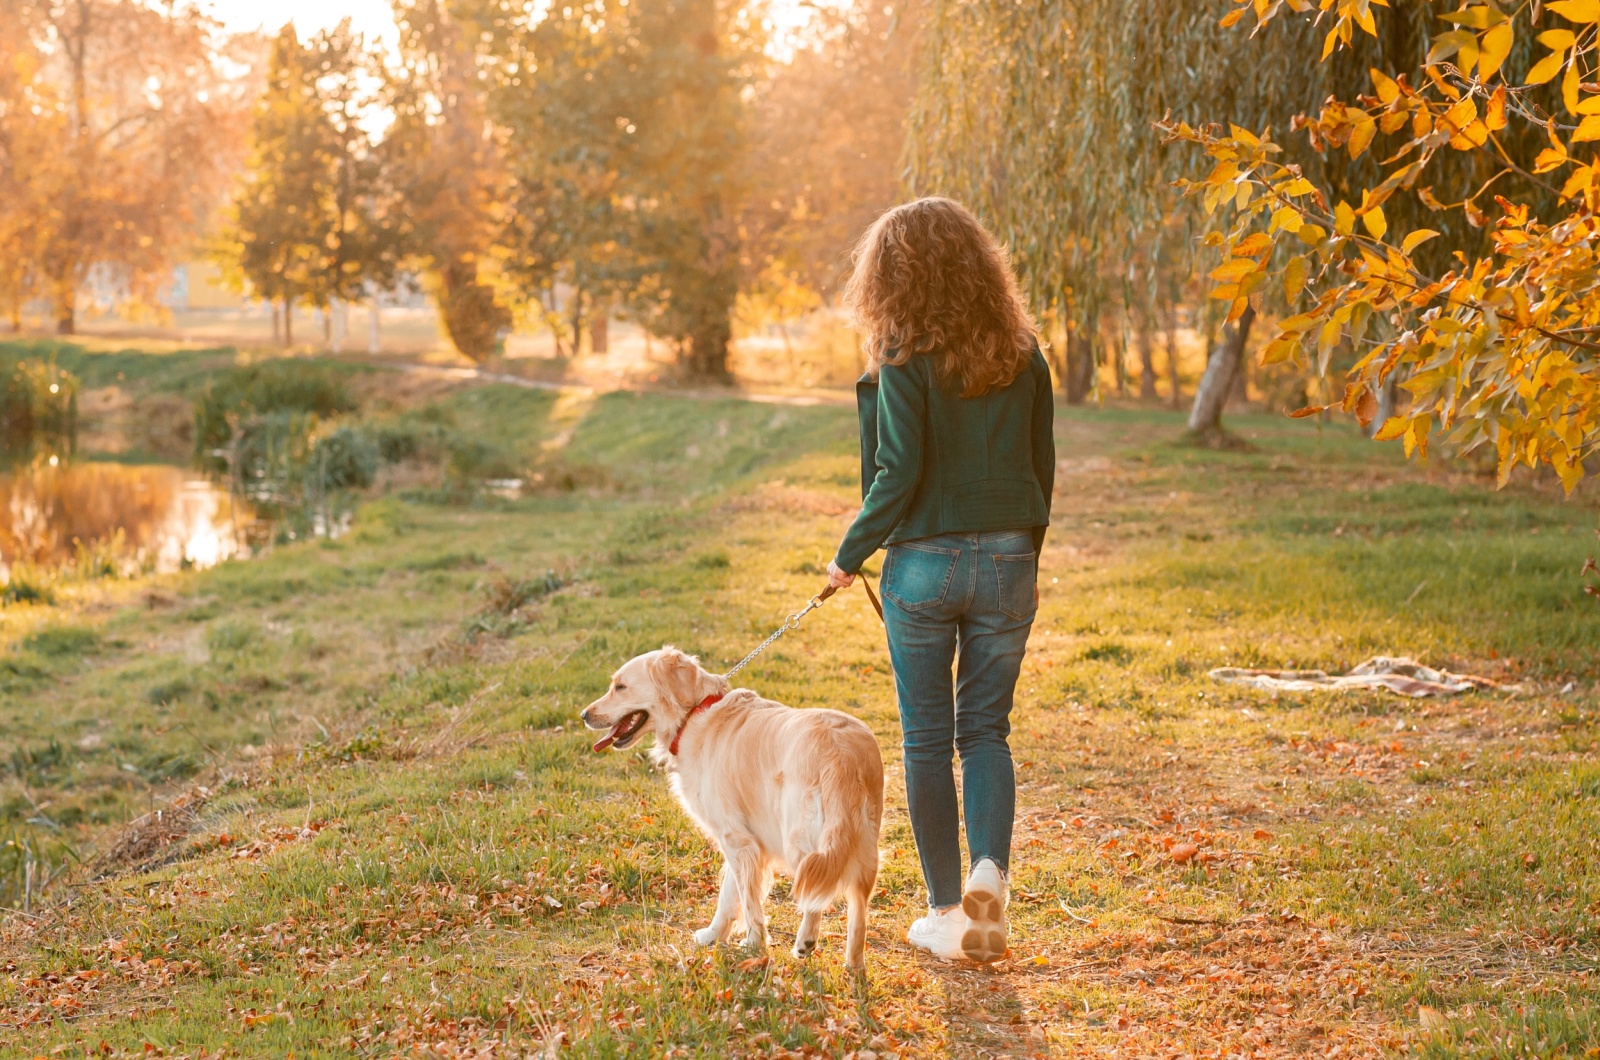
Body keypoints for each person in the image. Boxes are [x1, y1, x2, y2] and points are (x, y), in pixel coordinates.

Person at [827, 197, 1054, 963]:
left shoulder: (900, 354)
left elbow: (897, 472)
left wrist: (847, 554)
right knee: (986, 732)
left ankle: (947, 913)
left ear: (890, 276)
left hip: (922, 562)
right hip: (1008, 556)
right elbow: (1041, 469)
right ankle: (992, 869)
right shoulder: (1023, 352)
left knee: (927, 740)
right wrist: (1023, 556)